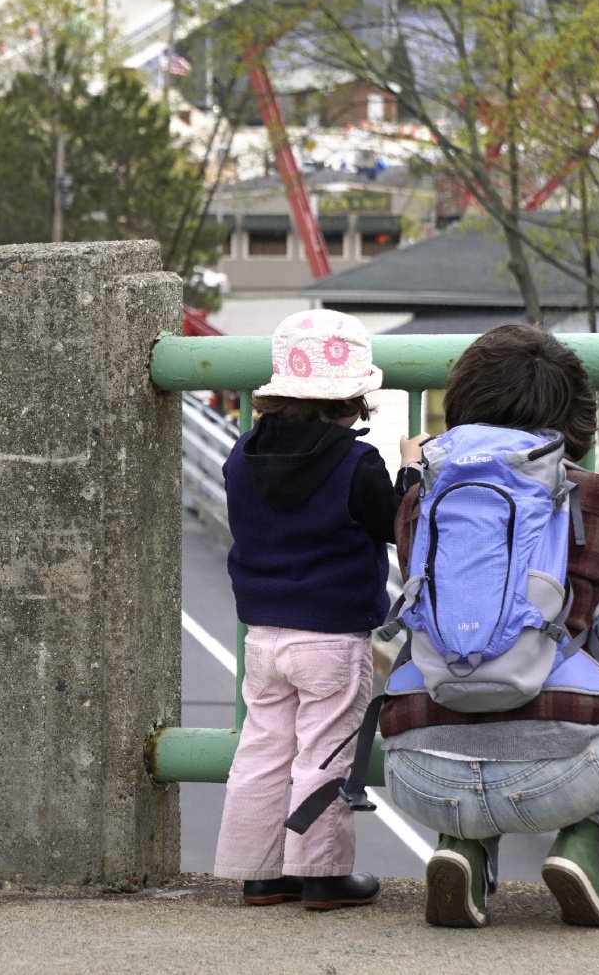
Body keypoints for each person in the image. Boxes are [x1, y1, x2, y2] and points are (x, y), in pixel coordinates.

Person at [381, 323, 599, 929]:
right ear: (572, 415)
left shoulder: (422, 500)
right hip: (561, 779)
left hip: (417, 772)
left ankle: (459, 845)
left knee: (456, 667)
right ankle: (589, 847)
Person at [214, 308, 422, 910]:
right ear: (355, 399)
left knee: (263, 749)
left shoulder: (241, 454)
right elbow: (392, 523)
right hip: (333, 635)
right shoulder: (356, 463)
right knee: (324, 752)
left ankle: (257, 872)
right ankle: (322, 873)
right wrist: (409, 470)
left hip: (263, 634)